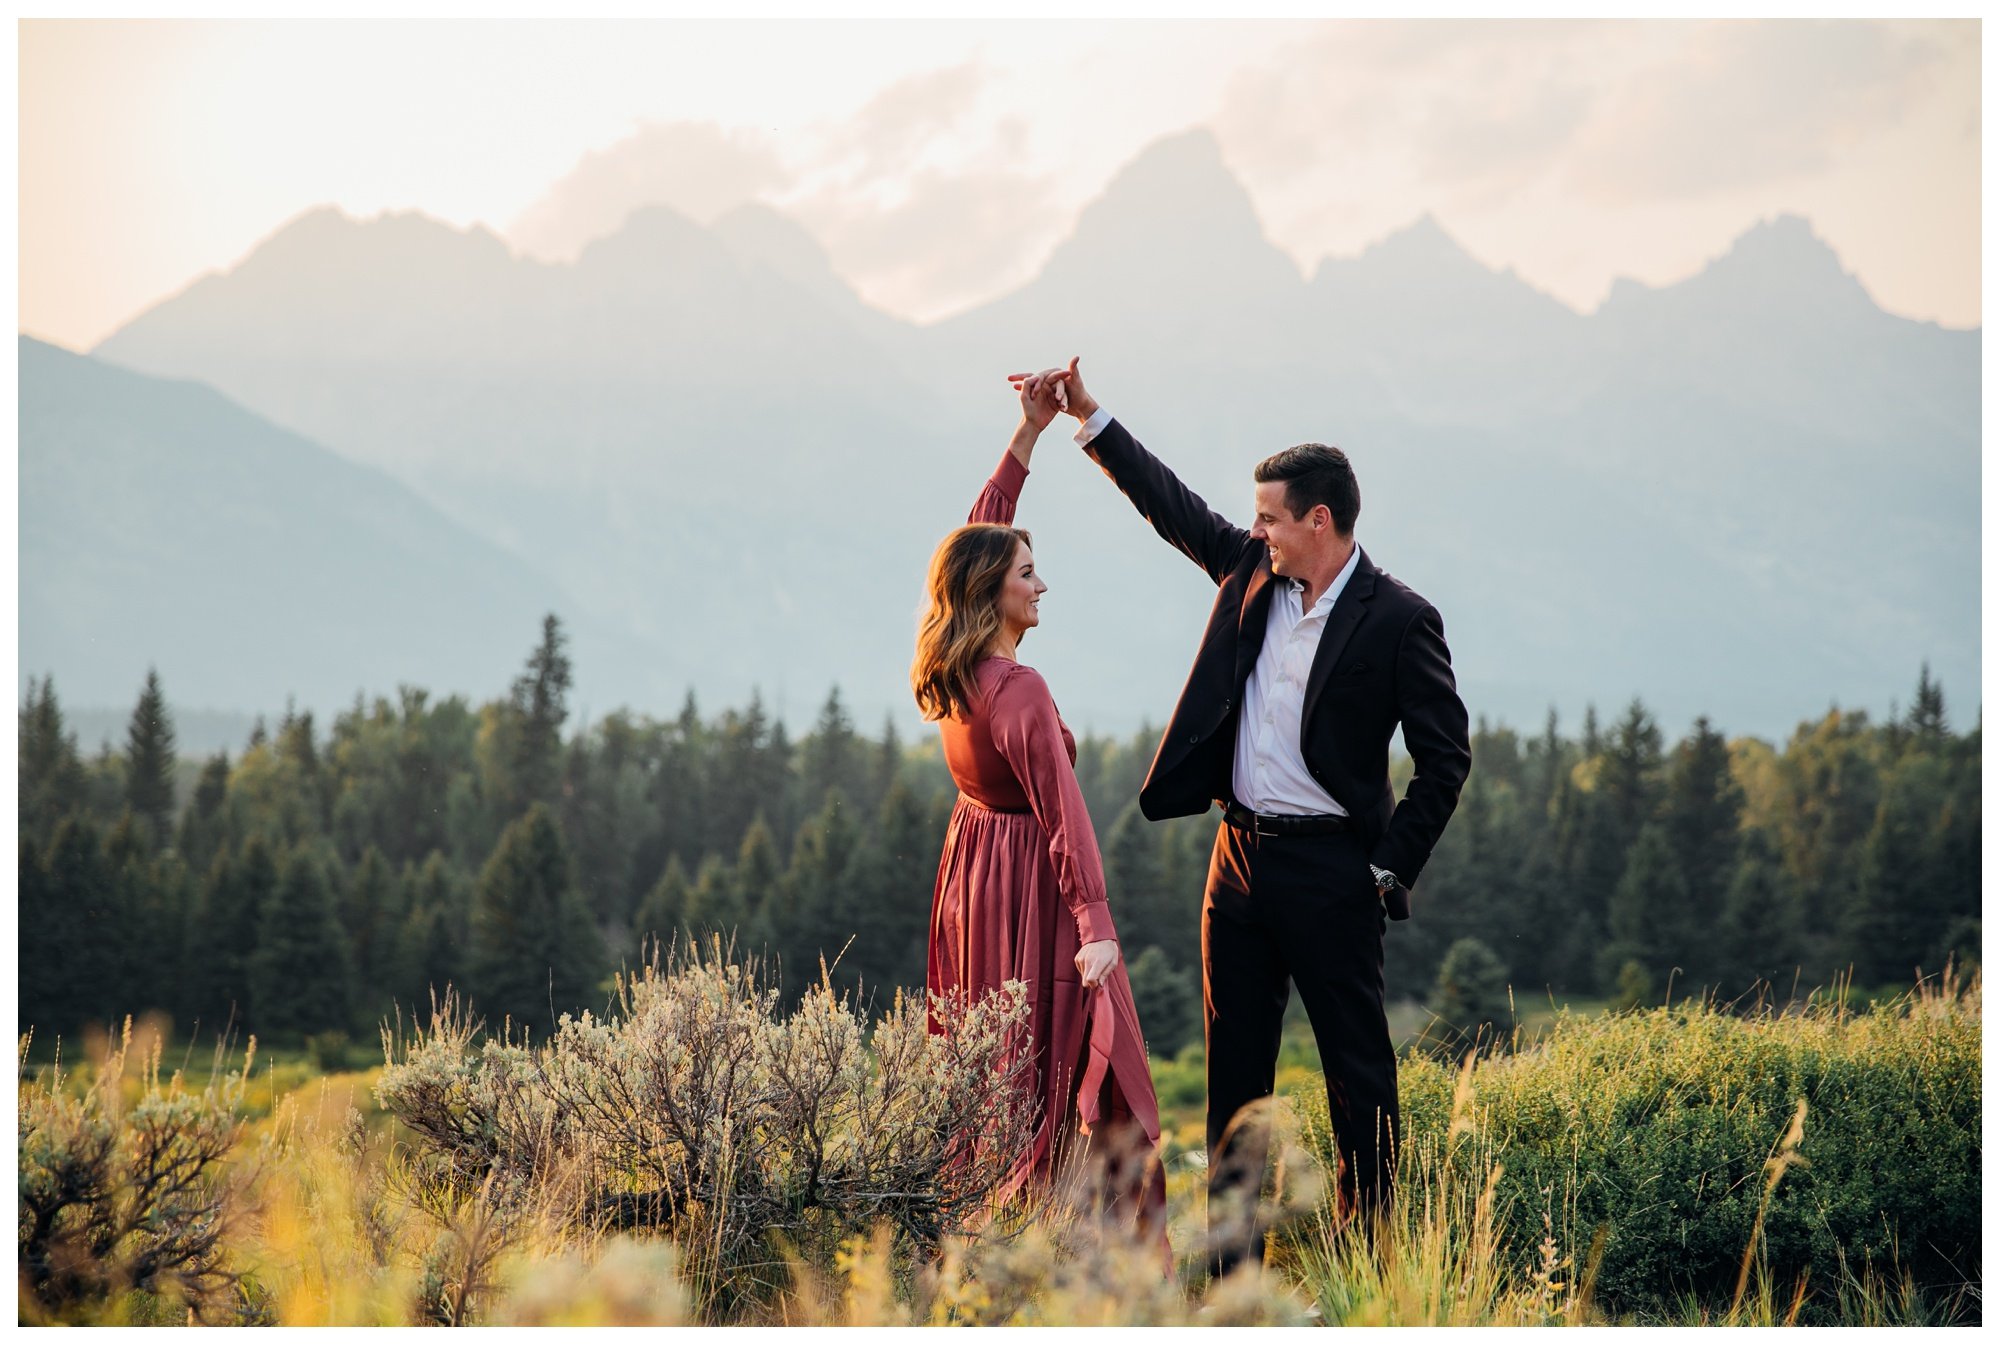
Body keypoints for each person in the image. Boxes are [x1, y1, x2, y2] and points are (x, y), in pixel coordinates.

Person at [1012, 357, 1471, 1277]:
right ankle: (1228, 1272)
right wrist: (1088, 416)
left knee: (1358, 1073)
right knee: (1235, 1076)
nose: (1254, 528)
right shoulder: (1250, 571)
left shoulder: (1400, 619)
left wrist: (1387, 866)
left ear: (1319, 521)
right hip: (1238, 865)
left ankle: (1372, 1254)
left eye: (1269, 516)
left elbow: (1446, 755)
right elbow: (1170, 504)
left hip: (1335, 871)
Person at [912, 371, 1168, 1256]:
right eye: (1029, 573)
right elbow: (1065, 816)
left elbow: (973, 542)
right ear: (993, 591)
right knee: (1074, 1061)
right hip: (1030, 884)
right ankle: (1094, 1255)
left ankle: (987, 1233)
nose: (1042, 585)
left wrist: (1024, 439)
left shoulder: (953, 669)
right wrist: (1096, 927)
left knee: (998, 1062)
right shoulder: (1019, 690)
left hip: (972, 880)